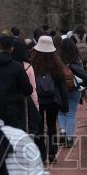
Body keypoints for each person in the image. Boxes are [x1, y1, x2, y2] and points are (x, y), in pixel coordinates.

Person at [30, 35, 68, 165]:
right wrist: (65, 103)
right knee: (52, 126)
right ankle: (52, 153)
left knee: (38, 128)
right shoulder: (57, 65)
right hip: (54, 100)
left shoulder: (33, 64)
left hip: (38, 100)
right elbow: (62, 85)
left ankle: (41, 155)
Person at [57, 37, 87, 148]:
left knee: (61, 112)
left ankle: (62, 130)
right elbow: (82, 77)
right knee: (71, 114)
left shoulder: (58, 60)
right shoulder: (78, 60)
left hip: (61, 91)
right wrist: (84, 92)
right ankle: (70, 139)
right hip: (74, 90)